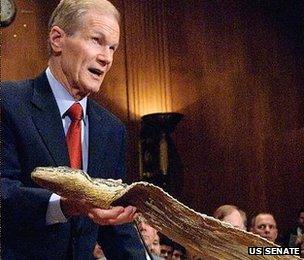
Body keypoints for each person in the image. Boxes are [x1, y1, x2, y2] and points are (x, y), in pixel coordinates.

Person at [1, 0, 146, 259]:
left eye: (112, 47)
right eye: (96, 40)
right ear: (58, 39)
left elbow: (116, 228)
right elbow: (4, 193)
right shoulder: (8, 103)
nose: (107, 58)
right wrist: (65, 205)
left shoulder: (112, 130)